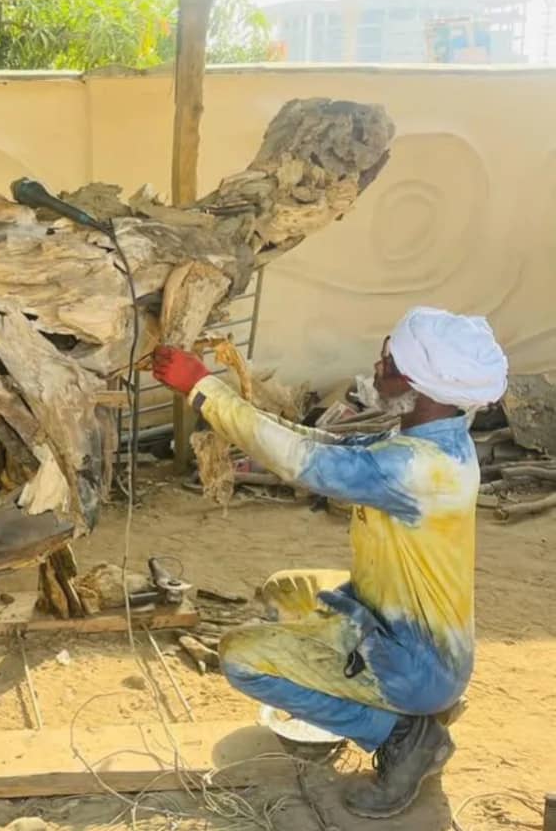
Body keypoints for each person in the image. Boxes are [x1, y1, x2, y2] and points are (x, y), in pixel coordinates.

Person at [152, 307, 508, 820]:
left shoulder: (417, 468)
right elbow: (320, 446)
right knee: (284, 590)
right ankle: (390, 708)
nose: (378, 364)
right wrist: (213, 397)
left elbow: (303, 463)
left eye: (389, 358)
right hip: (391, 621)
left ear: (418, 383)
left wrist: (202, 387)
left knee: (240, 658)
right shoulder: (430, 440)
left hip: (416, 662)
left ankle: (403, 736)